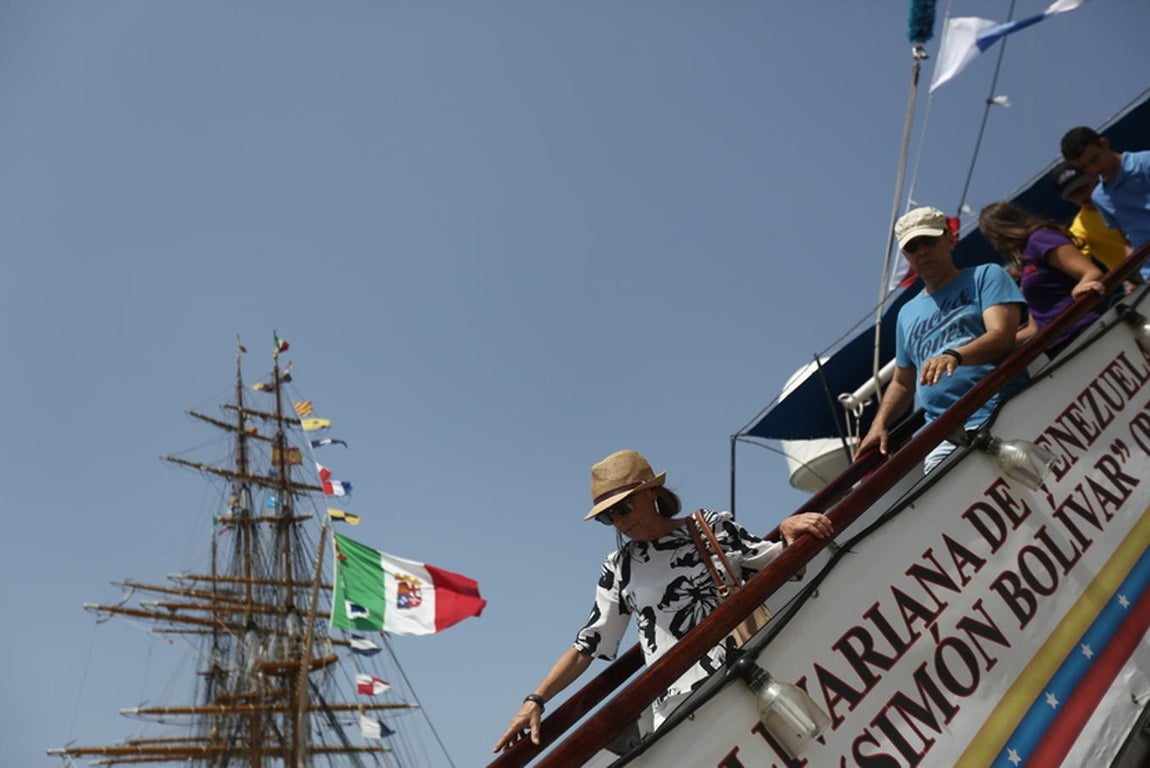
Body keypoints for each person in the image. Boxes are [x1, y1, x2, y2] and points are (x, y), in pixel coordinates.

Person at [492, 449, 832, 753]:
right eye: (608, 517)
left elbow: (785, 566)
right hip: (683, 709)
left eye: (623, 508)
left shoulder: (709, 527)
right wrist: (535, 700)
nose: (620, 521)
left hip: (756, 673)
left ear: (651, 492)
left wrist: (788, 527)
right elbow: (588, 645)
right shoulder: (620, 568)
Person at [857, 206, 1025, 473]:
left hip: (1004, 408)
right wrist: (879, 424)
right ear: (906, 256)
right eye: (913, 247)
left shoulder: (986, 276)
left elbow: (1002, 336)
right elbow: (902, 382)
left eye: (929, 240)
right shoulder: (906, 314)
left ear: (949, 238)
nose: (922, 251)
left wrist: (955, 356)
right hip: (944, 436)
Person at [978, 201, 1106, 357]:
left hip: (1085, 329)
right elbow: (1035, 327)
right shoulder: (1024, 259)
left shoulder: (1040, 238)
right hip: (1057, 346)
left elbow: (1091, 272)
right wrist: (992, 345)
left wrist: (1080, 288)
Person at [1060, 126, 1150, 279]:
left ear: (1104, 143)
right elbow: (1127, 237)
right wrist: (1131, 275)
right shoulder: (1099, 197)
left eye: (1094, 159)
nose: (1093, 169)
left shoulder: (1146, 162)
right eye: (1084, 167)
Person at [1048, 161, 1131, 275]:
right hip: (1138, 276)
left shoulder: (1126, 192)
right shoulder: (1079, 229)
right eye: (1072, 194)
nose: (1081, 195)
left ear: (1092, 177)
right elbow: (1079, 265)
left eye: (1082, 187)